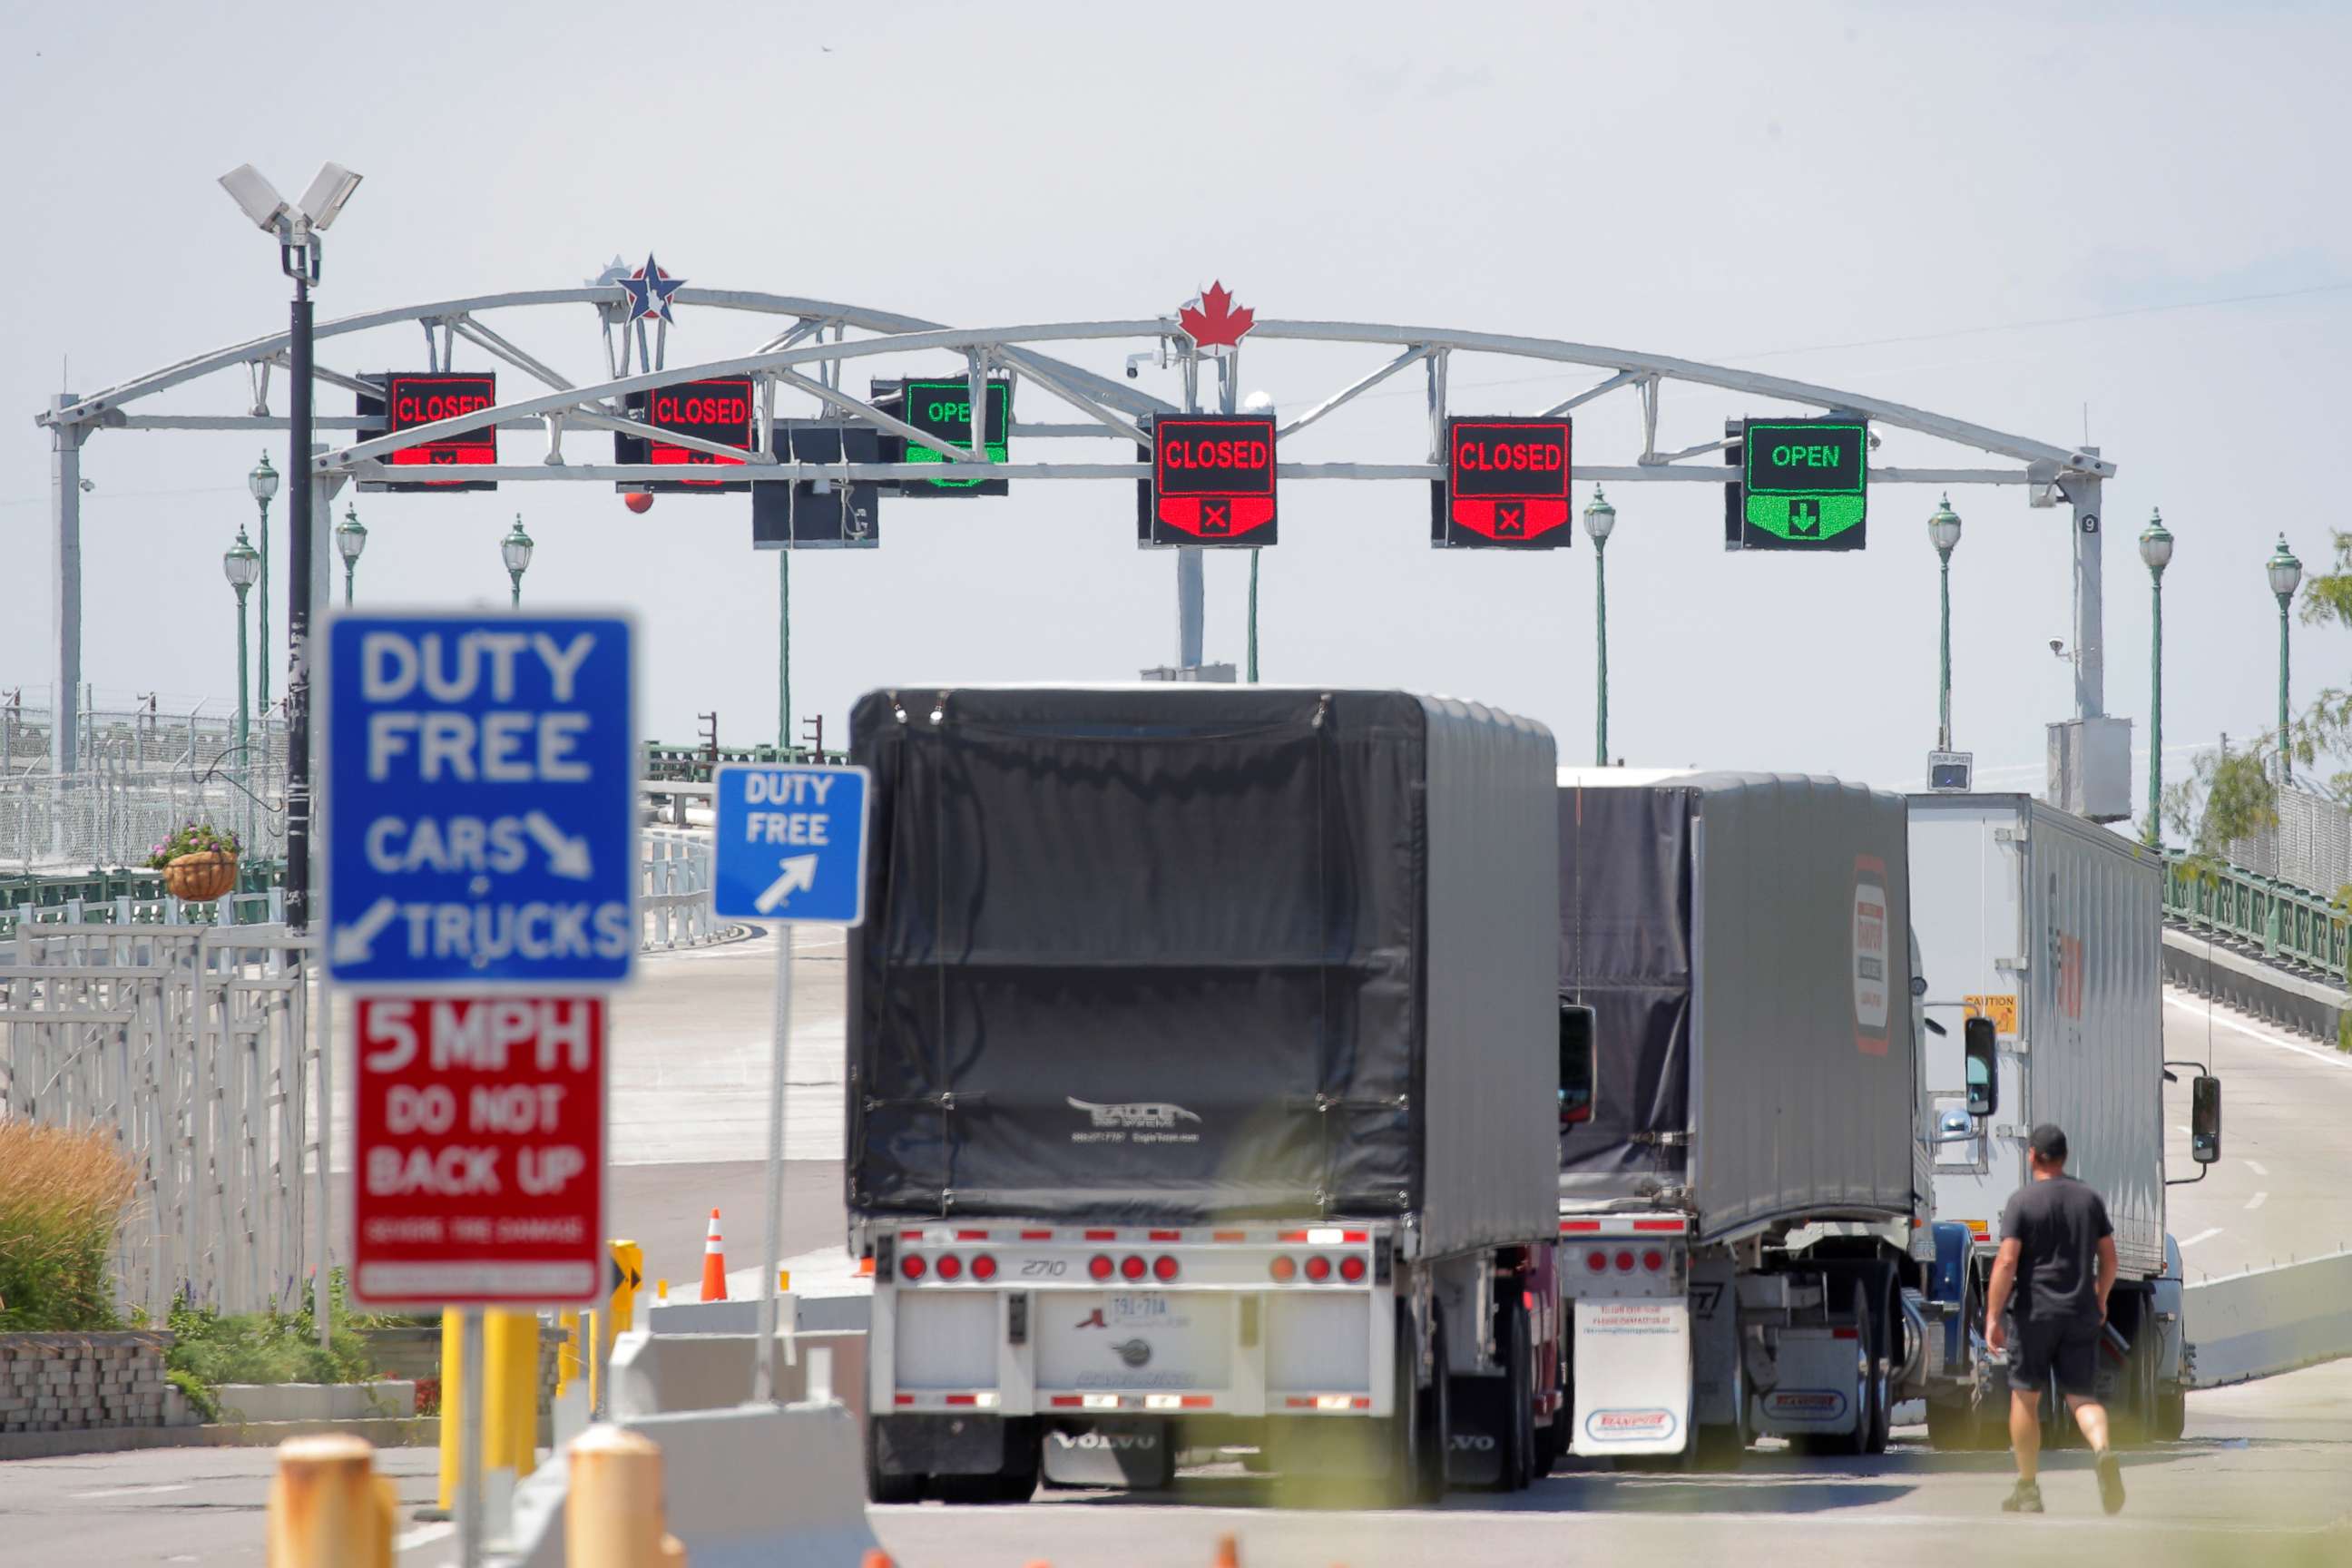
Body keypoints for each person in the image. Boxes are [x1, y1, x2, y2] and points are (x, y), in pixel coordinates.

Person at [1984, 1122, 2125, 1515]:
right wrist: (2101, 1299)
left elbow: (2008, 1261)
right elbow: (2109, 1259)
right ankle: (2102, 1452)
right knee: (2082, 1397)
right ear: (2065, 1156)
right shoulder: (2088, 1200)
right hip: (2079, 1311)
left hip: (2034, 1315)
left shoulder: (2022, 1203)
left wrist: (1993, 1314)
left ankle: (2028, 1489)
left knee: (2026, 1397)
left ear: (2032, 1156)